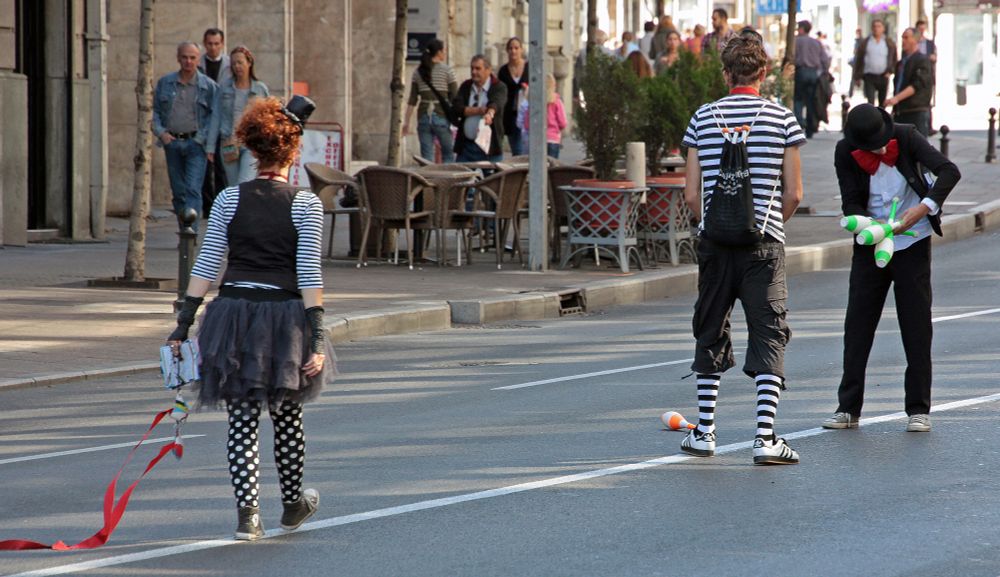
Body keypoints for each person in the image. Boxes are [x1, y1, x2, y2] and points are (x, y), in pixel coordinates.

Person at [167, 94, 335, 540]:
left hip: (233, 314)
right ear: (292, 152)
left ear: (253, 150)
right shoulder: (305, 203)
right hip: (284, 317)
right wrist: (317, 339)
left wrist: (183, 325)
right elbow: (309, 274)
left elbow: (206, 265)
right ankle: (293, 504)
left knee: (241, 420)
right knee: (287, 417)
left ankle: (248, 516)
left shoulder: (228, 199)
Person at [681, 35, 805, 465]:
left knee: (711, 328)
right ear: (763, 73)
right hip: (763, 246)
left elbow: (691, 195)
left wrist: (714, 224)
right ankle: (765, 438)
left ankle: (704, 432)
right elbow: (794, 192)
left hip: (715, 244)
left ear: (725, 74)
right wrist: (770, 224)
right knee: (769, 332)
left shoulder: (703, 117)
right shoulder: (782, 119)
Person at [822, 103, 960, 433]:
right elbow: (850, 199)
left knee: (916, 324)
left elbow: (949, 171)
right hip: (871, 242)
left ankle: (918, 409)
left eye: (883, 141)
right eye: (874, 146)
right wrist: (870, 226)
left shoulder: (907, 137)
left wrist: (923, 208)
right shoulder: (844, 151)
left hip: (913, 241)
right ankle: (848, 408)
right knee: (857, 325)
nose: (882, 149)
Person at [152, 41, 220, 232]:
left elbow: (215, 116)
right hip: (172, 143)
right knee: (178, 191)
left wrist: (203, 139)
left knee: (192, 189)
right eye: (184, 57)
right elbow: (153, 111)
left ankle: (191, 232)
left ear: (198, 59)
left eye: (192, 57)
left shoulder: (208, 86)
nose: (188, 61)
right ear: (178, 58)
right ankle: (184, 229)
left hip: (196, 144)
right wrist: (161, 133)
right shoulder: (165, 83)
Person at [214, 46, 269, 185]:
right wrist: (210, 146)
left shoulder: (260, 88)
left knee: (245, 183)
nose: (237, 66)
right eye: (233, 64)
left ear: (249, 63)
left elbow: (267, 117)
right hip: (228, 142)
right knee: (233, 186)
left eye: (240, 62)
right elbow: (216, 115)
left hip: (251, 142)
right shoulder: (224, 87)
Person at [403, 39, 459, 163]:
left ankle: (428, 176)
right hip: (441, 116)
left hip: (423, 117)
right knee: (448, 154)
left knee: (426, 158)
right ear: (438, 52)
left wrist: (406, 123)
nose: (445, 53)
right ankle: (448, 176)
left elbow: (412, 100)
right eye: (443, 51)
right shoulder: (447, 71)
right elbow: (455, 97)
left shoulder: (418, 72)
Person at [199, 28, 231, 217]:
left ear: (222, 44)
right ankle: (207, 206)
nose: (213, 47)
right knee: (204, 166)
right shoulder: (198, 64)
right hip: (203, 121)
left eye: (216, 44)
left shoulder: (229, 65)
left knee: (222, 167)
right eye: (210, 44)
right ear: (205, 44)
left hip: (222, 122)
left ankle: (221, 205)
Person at [452, 55, 507, 163]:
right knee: (459, 173)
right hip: (466, 147)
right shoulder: (466, 86)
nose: (473, 72)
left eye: (478, 68)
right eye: (472, 68)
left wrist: (489, 113)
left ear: (488, 70)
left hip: (490, 148)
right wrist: (480, 110)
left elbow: (496, 103)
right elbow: (457, 107)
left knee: (494, 174)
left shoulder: (499, 86)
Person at [885, 28, 933, 136]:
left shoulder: (922, 60)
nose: (903, 41)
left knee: (917, 142)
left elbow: (917, 84)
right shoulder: (901, 63)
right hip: (901, 111)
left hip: (916, 110)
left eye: (906, 37)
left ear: (915, 40)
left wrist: (896, 98)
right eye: (902, 37)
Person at [793, 20, 830, 139]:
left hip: (800, 71)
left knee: (798, 99)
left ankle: (799, 123)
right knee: (811, 101)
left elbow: (791, 56)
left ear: (802, 29)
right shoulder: (816, 42)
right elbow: (825, 59)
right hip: (814, 73)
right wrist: (824, 71)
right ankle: (810, 127)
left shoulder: (796, 41)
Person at [517, 74, 567, 159]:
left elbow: (527, 124)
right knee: (552, 165)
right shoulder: (556, 101)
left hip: (536, 138)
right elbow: (563, 122)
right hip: (552, 139)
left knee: (536, 164)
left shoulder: (533, 102)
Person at [853, 19, 897, 108]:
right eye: (874, 26)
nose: (876, 29)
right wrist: (857, 76)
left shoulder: (888, 42)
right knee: (870, 102)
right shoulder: (866, 43)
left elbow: (894, 58)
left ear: (883, 28)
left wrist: (891, 71)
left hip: (883, 76)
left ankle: (881, 116)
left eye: (879, 26)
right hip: (869, 76)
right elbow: (859, 59)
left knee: (882, 103)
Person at [497, 37, 529, 156]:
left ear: (521, 49)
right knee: (517, 151)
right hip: (510, 116)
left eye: (516, 48)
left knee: (527, 150)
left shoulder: (529, 68)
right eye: (510, 48)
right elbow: (499, 92)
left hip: (527, 114)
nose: (513, 51)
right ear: (507, 50)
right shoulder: (503, 71)